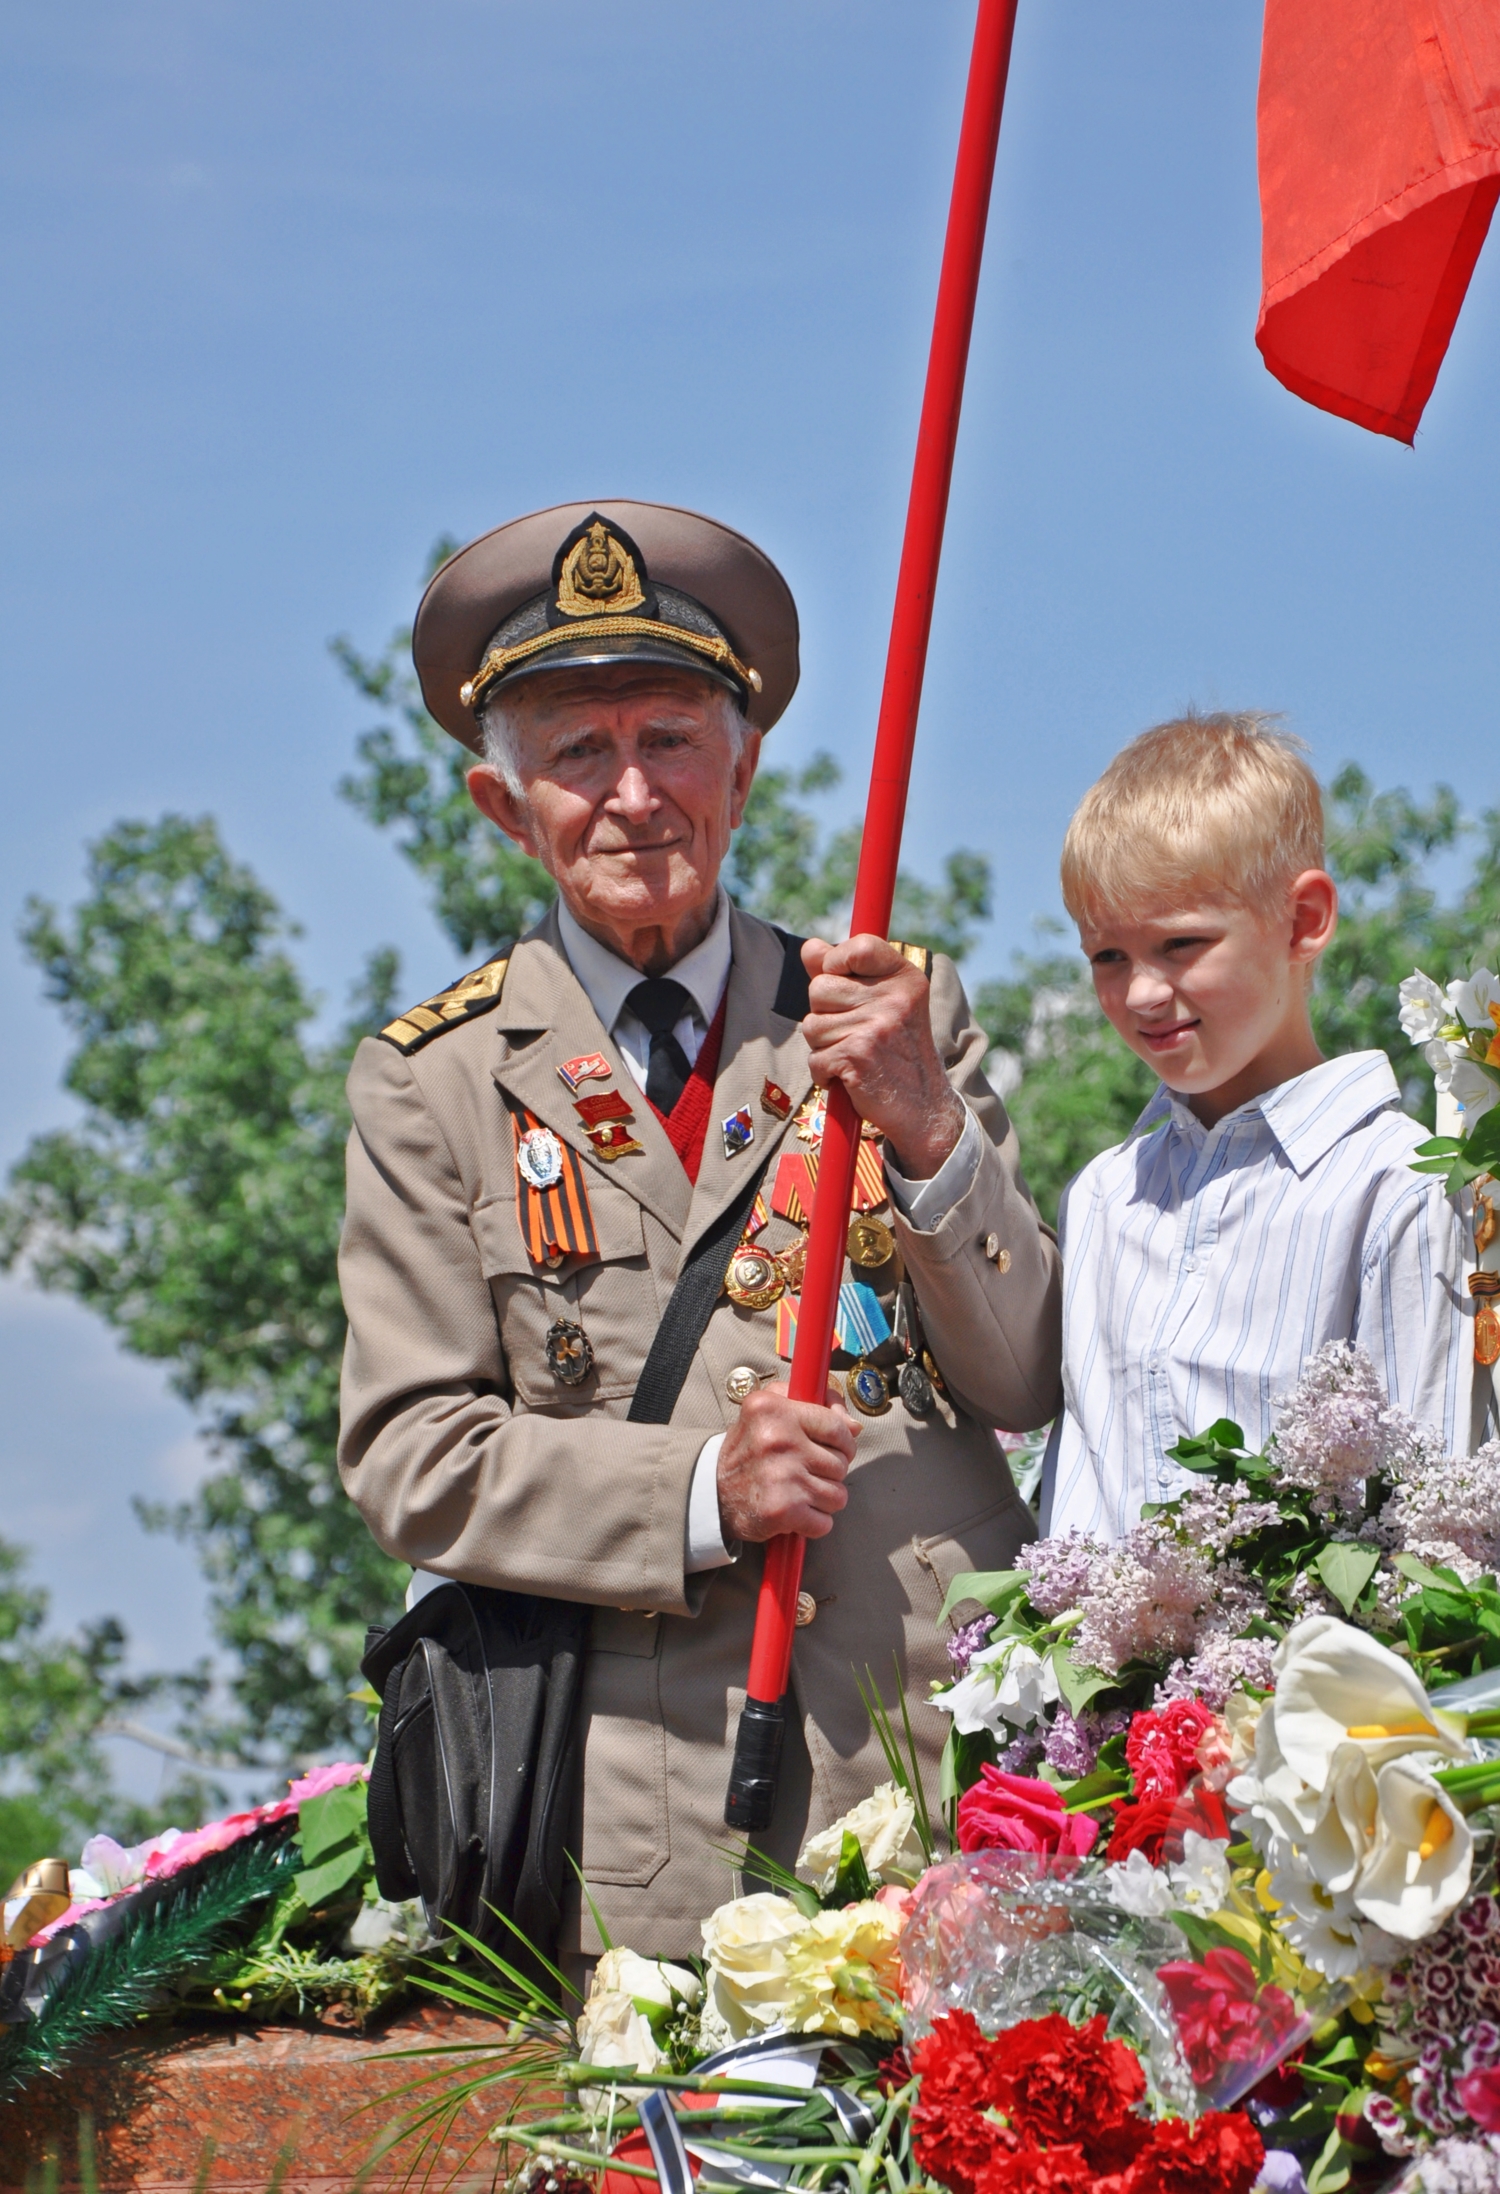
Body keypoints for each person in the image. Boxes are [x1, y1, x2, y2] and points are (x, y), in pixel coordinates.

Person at [336, 501, 1061, 1957]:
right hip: (642, 1822)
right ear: (507, 805)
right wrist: (698, 1489)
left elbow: (1026, 1372)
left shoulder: (890, 1007)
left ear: (744, 764)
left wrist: (924, 1122)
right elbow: (410, 1454)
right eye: (577, 754)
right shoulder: (435, 1079)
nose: (632, 793)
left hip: (943, 1770)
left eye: (670, 736)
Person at [1039, 711, 1476, 1545]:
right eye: (1108, 956)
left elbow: (1438, 1527)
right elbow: (1082, 1494)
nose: (1140, 994)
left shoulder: (1402, 1188)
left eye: (1181, 944)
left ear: (1304, 920)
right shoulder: (1102, 1197)